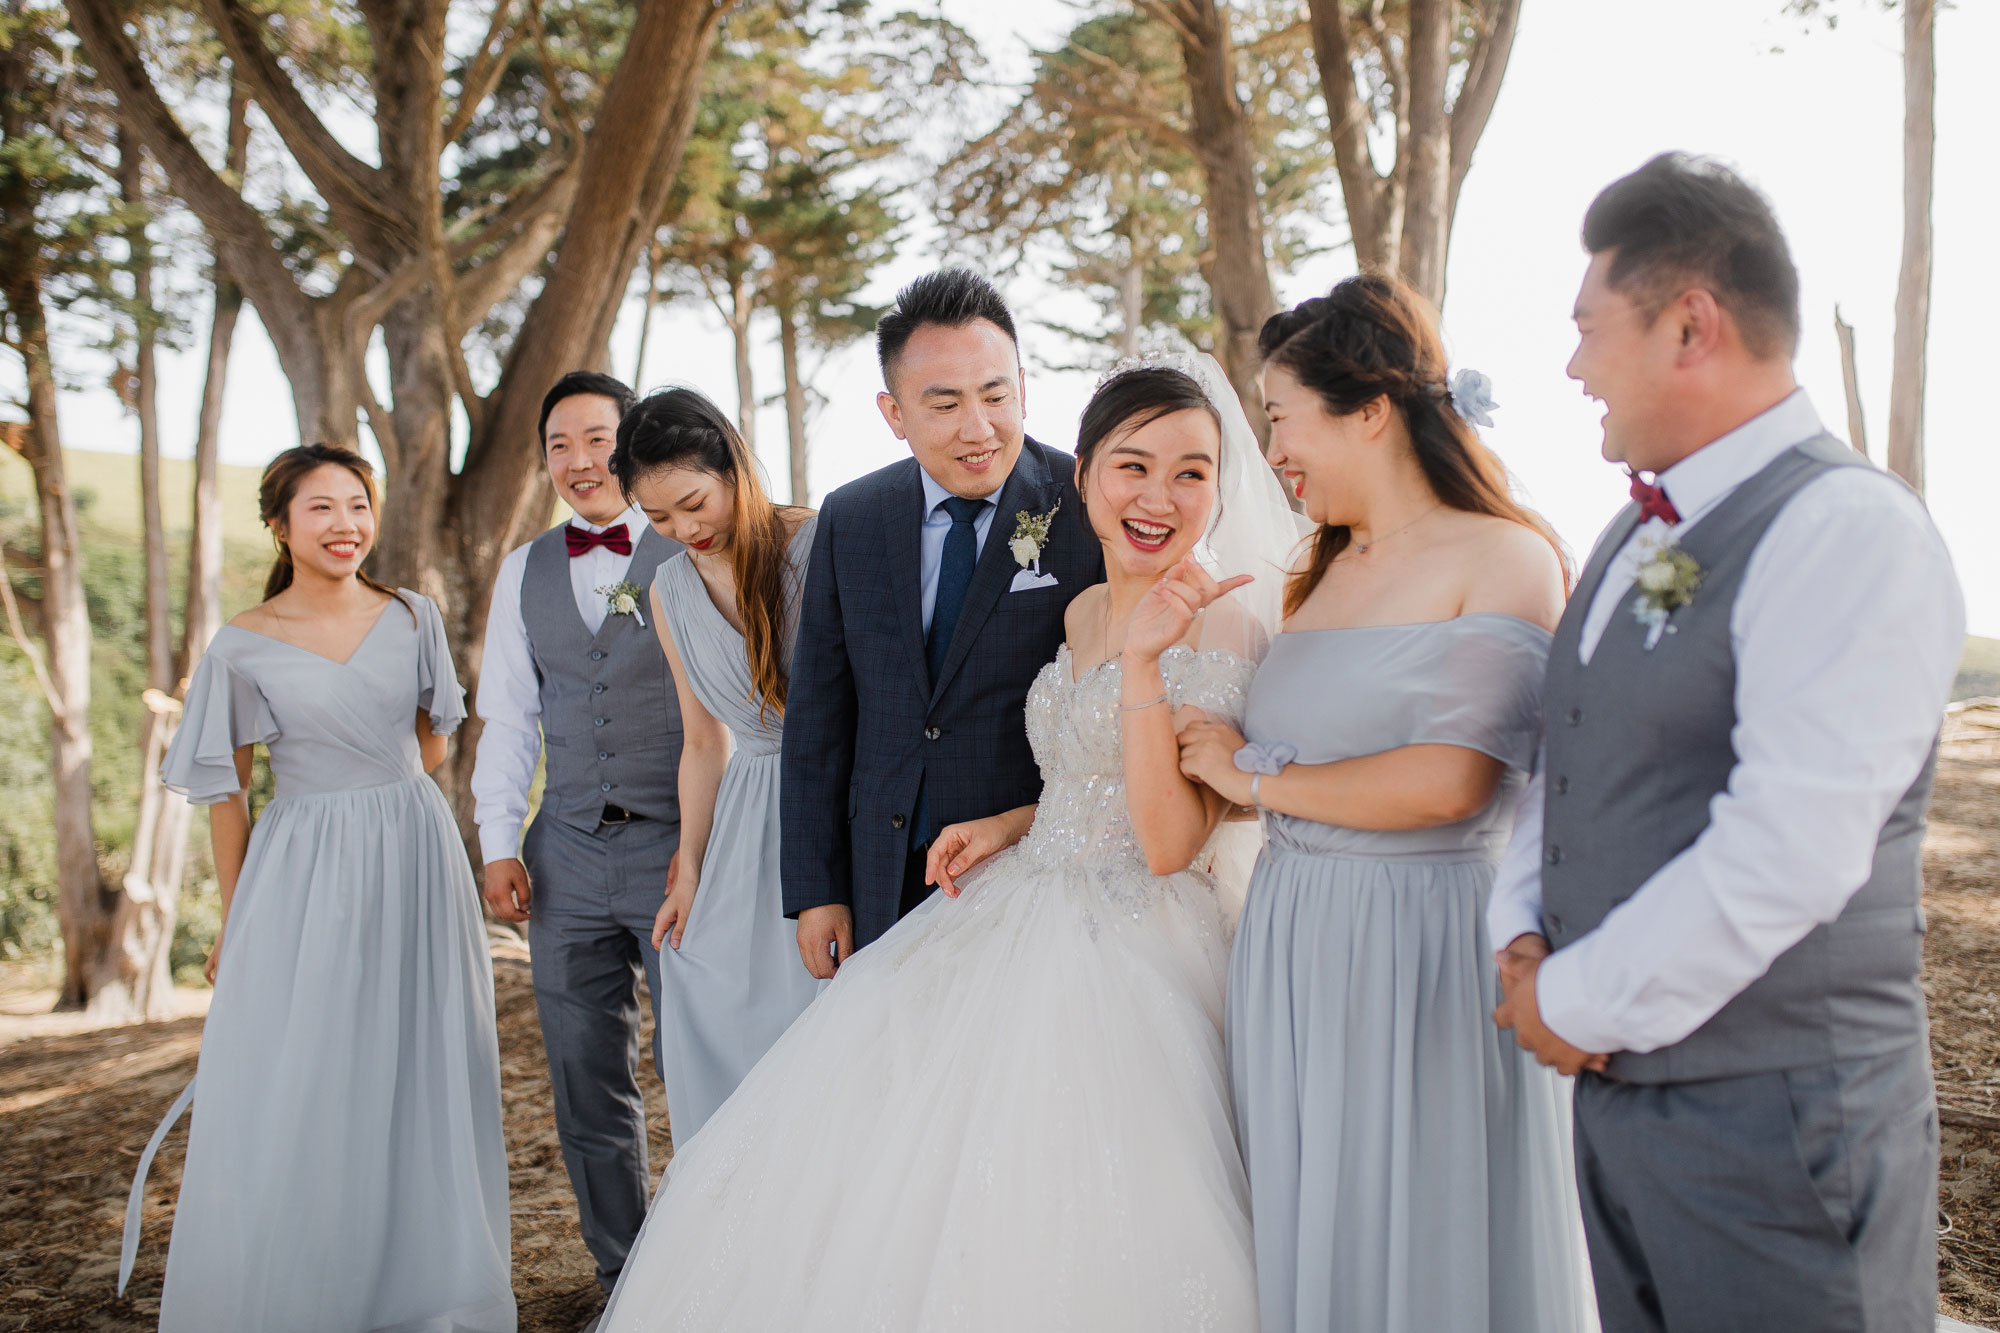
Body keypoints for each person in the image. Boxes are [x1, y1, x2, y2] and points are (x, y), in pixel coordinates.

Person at [594, 355, 1293, 1332]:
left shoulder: (1221, 612)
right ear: (1082, 471)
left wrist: (1142, 666)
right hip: (1028, 890)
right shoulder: (1084, 604)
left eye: (1191, 471)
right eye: (1132, 466)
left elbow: (1169, 839)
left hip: (1142, 938)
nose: (1159, 495)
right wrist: (1008, 822)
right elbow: (1079, 773)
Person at [1488, 154, 1964, 1332]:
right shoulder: (1624, 532)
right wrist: (1514, 937)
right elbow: (1571, 755)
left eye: (1588, 328)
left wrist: (1573, 998)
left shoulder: (1845, 530)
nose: (1570, 365)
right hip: (1617, 1107)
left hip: (1782, 1135)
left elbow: (1788, 847)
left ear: (1688, 325)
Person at [1176, 274, 1592, 1333]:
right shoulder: (1316, 572)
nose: (1269, 450)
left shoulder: (1503, 555)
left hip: (1420, 944)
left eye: (1279, 416)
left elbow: (1448, 780)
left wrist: (1247, 779)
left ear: (1367, 410)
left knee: (1419, 1221)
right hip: (1292, 938)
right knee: (1311, 1221)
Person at [135, 444, 513, 1330]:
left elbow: (432, 741)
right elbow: (225, 795)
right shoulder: (241, 642)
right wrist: (241, 917)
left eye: (357, 505)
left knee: (423, 1052)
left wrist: (384, 798)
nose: (345, 524)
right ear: (280, 524)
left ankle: (428, 1282)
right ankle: (315, 1282)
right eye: (321, 509)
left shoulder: (412, 613)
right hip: (304, 866)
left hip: (416, 854)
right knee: (316, 1062)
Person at [780, 269, 1103, 975]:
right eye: (945, 403)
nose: (978, 428)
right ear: (894, 413)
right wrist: (817, 889)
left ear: (1022, 383)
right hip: (880, 875)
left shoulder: (1087, 504)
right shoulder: (851, 517)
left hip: (1027, 873)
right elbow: (818, 715)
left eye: (995, 394)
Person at [471, 371, 683, 1302]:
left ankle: (712, 1262)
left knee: (700, 1061)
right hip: (564, 854)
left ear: (631, 442)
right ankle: (621, 1274)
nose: (579, 461)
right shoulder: (523, 569)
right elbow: (509, 716)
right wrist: (498, 839)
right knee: (584, 1077)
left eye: (597, 438)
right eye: (559, 445)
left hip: (683, 850)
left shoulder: (684, 548)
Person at [606, 386, 824, 1143]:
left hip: (836, 797)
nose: (683, 530)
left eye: (693, 503)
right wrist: (690, 868)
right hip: (746, 819)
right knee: (715, 987)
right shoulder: (668, 588)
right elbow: (704, 742)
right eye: (658, 518)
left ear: (733, 466)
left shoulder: (818, 542)